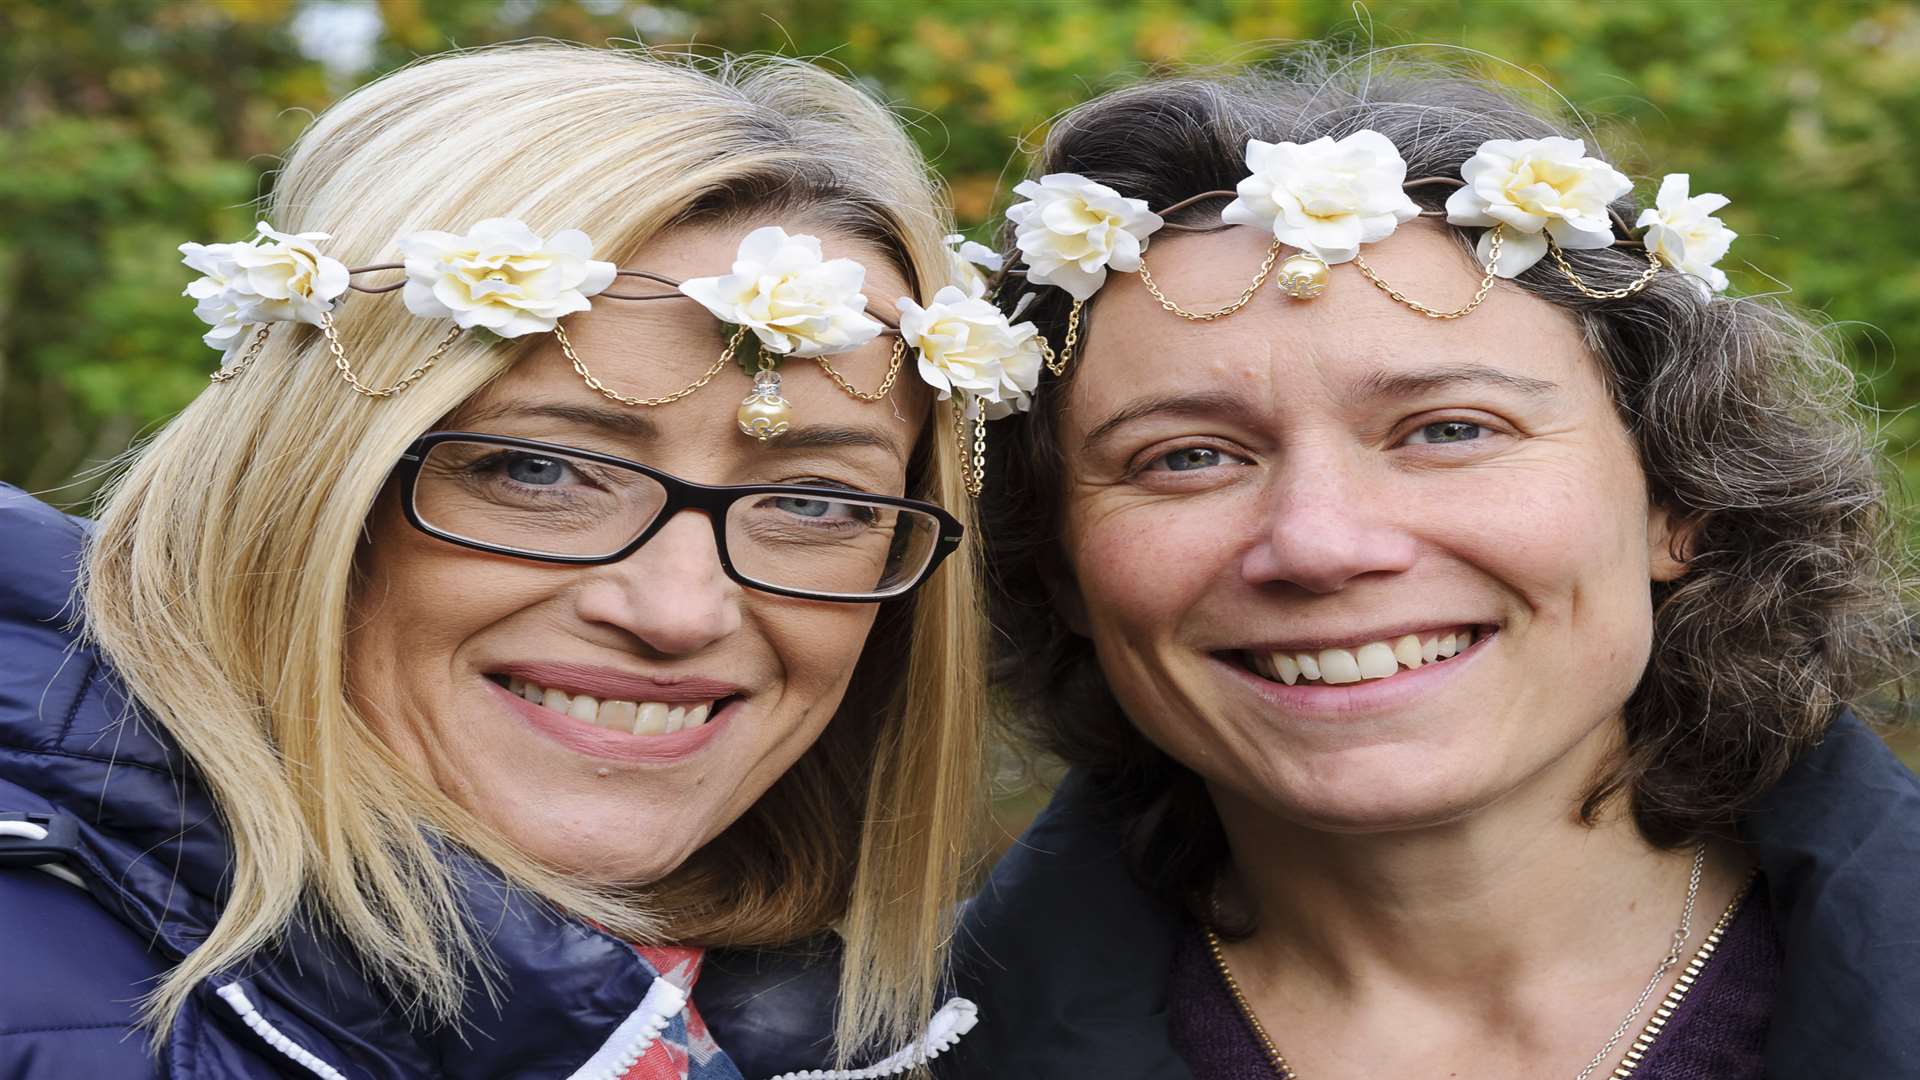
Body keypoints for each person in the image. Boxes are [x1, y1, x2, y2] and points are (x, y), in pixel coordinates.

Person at [0, 43, 1043, 1078]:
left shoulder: (900, 1034)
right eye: (540, 473)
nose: (680, 611)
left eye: (815, 502)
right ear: (302, 489)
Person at [945, 57, 1920, 1079]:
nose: (1321, 544)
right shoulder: (891, 1051)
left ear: (1680, 502)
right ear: (1058, 564)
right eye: (1187, 457)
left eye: (1451, 429)